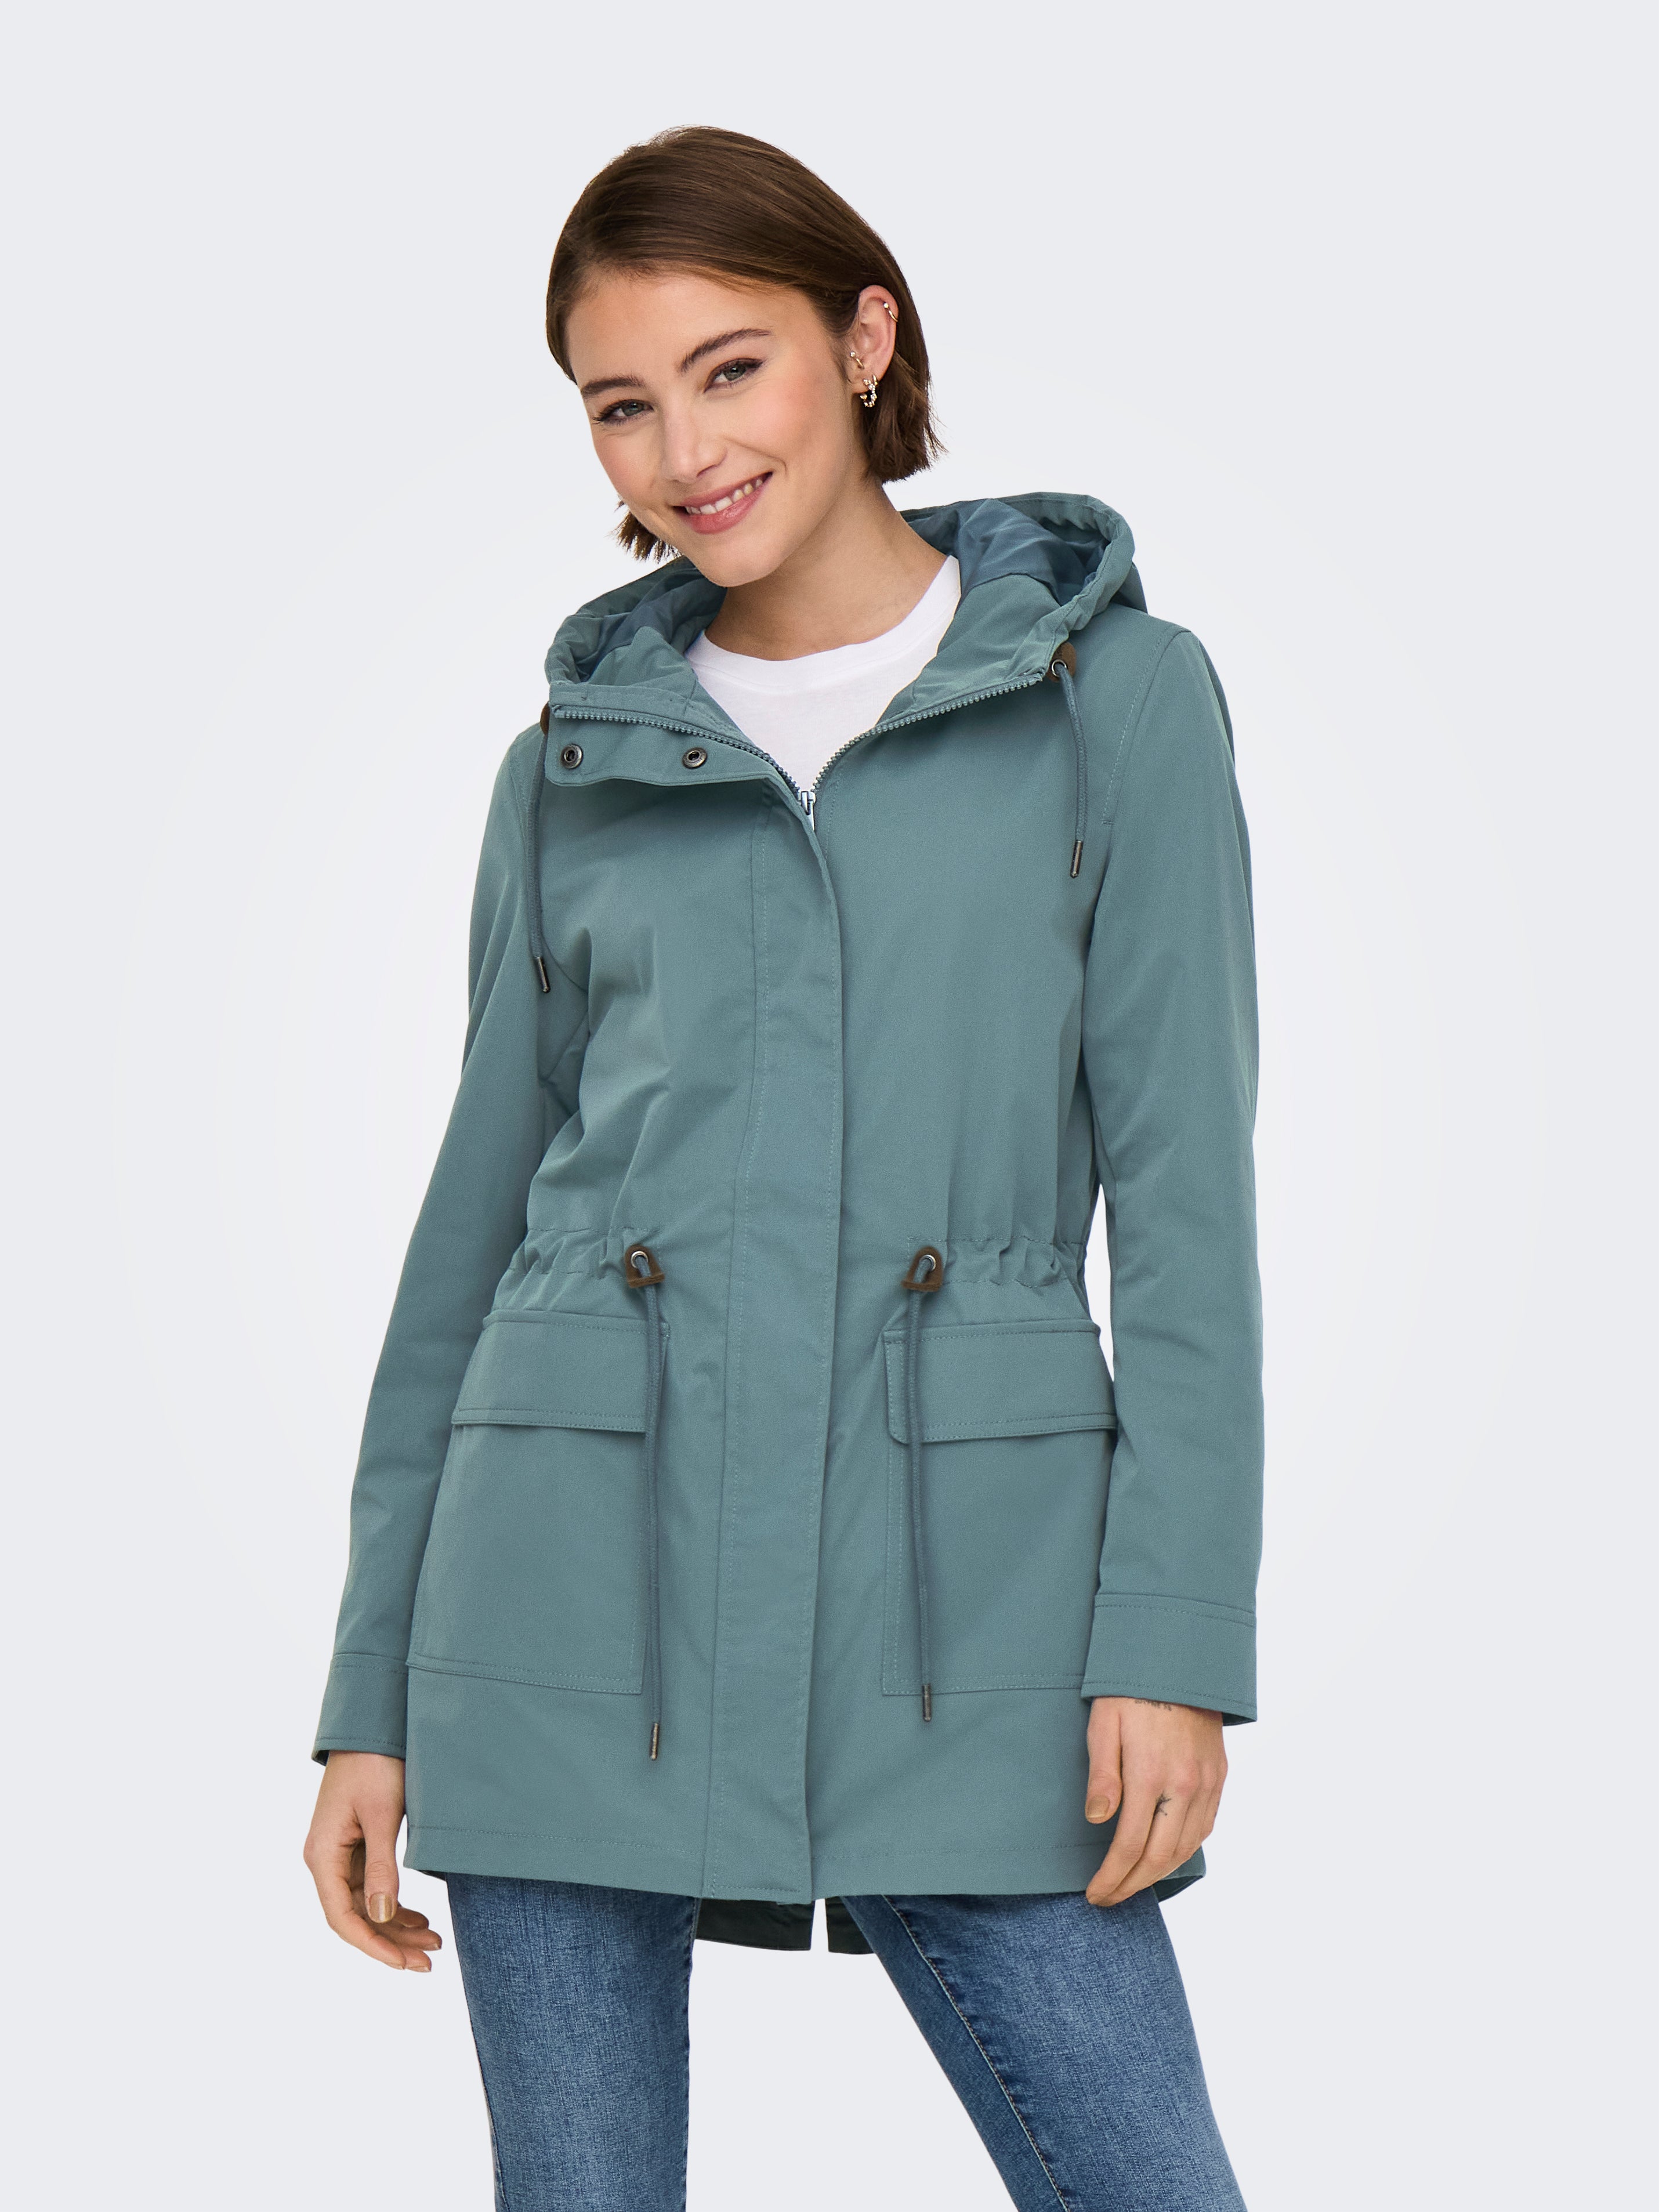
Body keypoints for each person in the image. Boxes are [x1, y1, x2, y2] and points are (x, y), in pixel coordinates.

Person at [304, 125, 1263, 2211]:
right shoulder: (569, 767)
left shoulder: (1115, 704)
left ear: (863, 338)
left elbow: (1188, 1212)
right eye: (621, 404)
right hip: (563, 1594)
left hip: (974, 1608)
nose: (684, 451)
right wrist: (369, 1694)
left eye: (728, 369)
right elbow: (469, 1241)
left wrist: (1173, 1642)